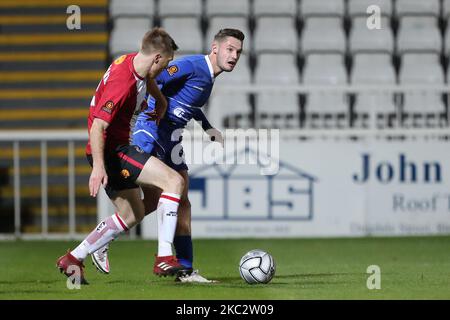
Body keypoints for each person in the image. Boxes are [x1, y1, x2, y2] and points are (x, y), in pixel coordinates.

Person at [91, 29, 245, 283]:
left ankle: (183, 269)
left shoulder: (208, 77)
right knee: (171, 193)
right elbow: (156, 80)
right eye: (230, 49)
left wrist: (207, 127)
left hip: (172, 137)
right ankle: (124, 245)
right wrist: (152, 114)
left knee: (177, 202)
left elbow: (189, 105)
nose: (234, 56)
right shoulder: (192, 65)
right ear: (215, 48)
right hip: (154, 132)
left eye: (238, 51)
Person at [56, 28, 188, 285]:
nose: (163, 70)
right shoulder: (122, 81)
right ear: (158, 58)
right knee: (174, 181)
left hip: (111, 150)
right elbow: (98, 127)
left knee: (132, 214)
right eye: (166, 64)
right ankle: (164, 256)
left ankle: (74, 257)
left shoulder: (132, 62)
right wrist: (98, 168)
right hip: (111, 151)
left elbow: (146, 80)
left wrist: (160, 101)